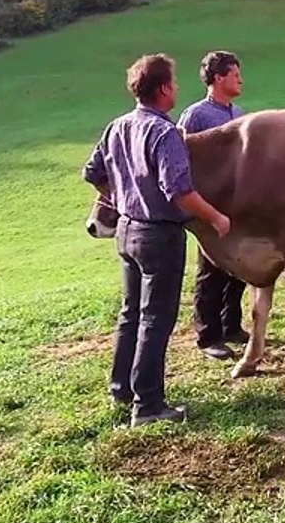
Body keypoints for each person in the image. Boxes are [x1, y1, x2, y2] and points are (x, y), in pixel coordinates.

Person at [82, 53, 232, 427]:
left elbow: (93, 173)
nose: (177, 89)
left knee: (130, 313)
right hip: (159, 236)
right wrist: (215, 217)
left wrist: (120, 196)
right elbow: (179, 191)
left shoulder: (117, 126)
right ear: (164, 89)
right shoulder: (164, 133)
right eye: (175, 84)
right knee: (155, 320)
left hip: (127, 231)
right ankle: (148, 406)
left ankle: (122, 388)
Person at [177, 51, 249, 360]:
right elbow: (179, 157)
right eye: (235, 74)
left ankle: (231, 324)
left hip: (237, 203)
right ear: (218, 78)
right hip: (208, 204)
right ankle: (208, 336)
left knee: (237, 267)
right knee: (210, 271)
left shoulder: (240, 114)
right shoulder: (196, 116)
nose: (240, 79)